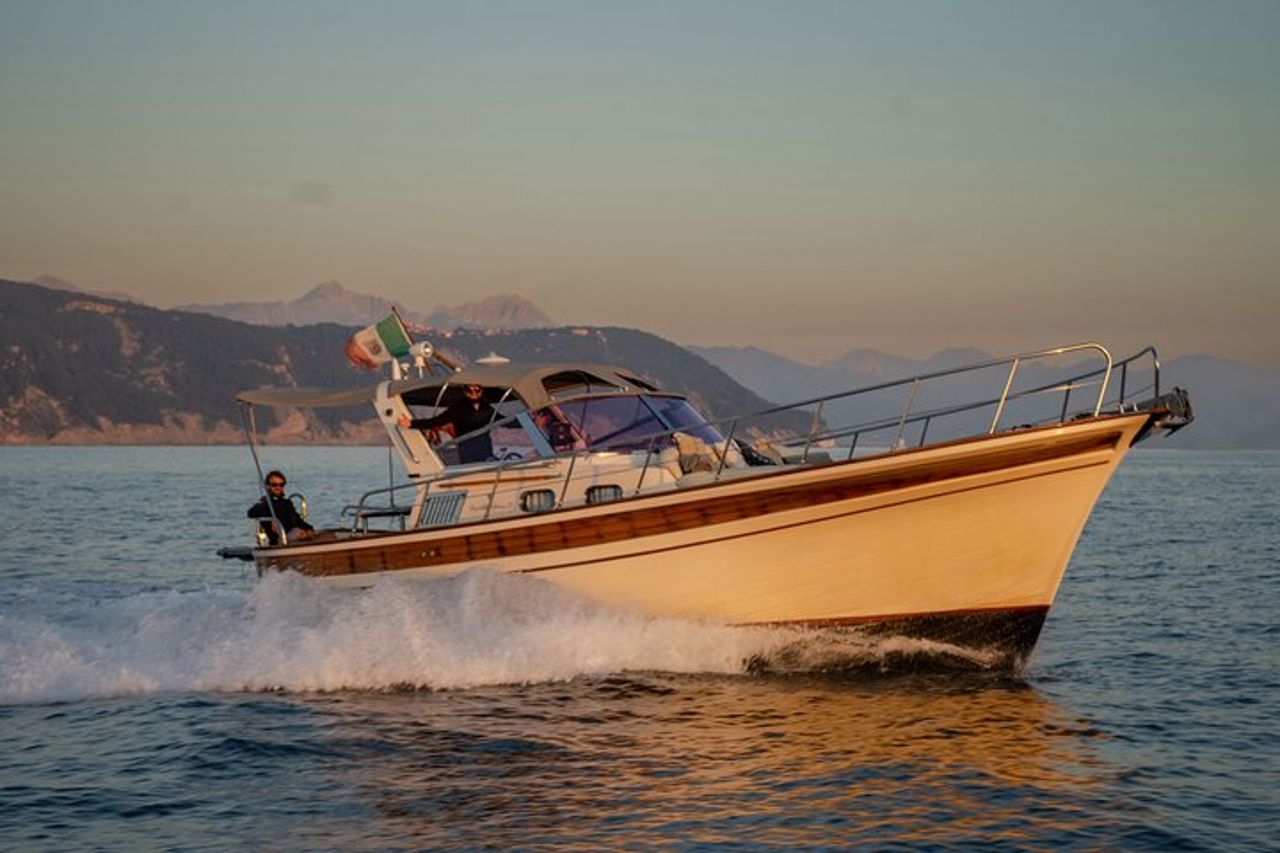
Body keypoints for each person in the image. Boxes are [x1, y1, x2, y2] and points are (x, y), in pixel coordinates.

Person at [399, 383, 496, 463]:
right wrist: (411, 424)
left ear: (481, 391)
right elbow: (435, 421)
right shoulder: (457, 408)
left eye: (477, 390)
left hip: (485, 450)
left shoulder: (486, 407)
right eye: (469, 390)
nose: (473, 393)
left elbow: (500, 419)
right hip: (468, 450)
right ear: (464, 391)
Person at [247, 470, 315, 544]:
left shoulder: (287, 503)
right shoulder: (266, 503)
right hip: (281, 538)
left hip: (294, 530)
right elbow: (251, 512)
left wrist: (309, 529)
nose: (278, 487)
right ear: (268, 486)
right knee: (301, 534)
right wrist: (271, 518)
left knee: (316, 532)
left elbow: (298, 520)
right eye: (274, 485)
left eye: (281, 485)